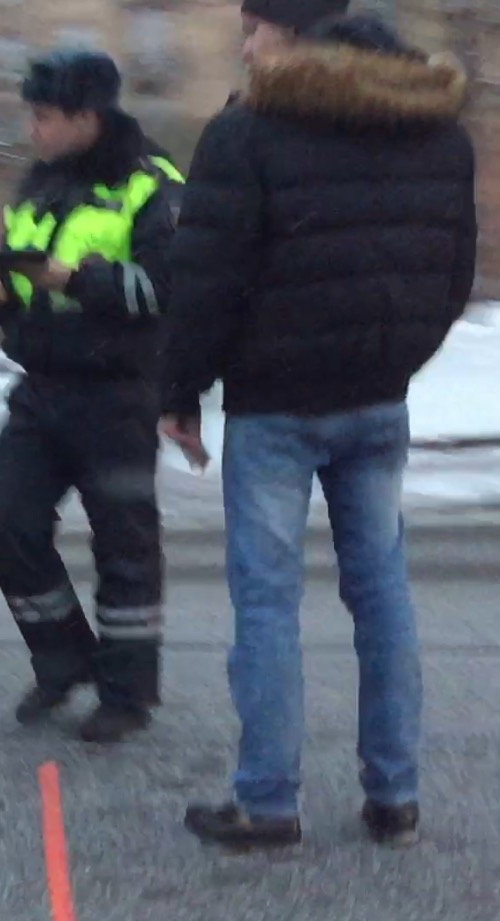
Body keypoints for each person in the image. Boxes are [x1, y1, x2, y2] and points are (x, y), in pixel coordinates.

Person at [161, 11, 477, 849]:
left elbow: (206, 278)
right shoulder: (438, 133)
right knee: (382, 591)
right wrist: (395, 356)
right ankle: (395, 795)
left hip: (274, 406)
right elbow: (454, 276)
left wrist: (181, 388)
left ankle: (268, 801)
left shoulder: (248, 133)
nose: (245, 47)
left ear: (300, 34)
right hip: (377, 400)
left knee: (267, 601)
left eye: (255, 27)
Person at [0, 48, 185, 744]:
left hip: (118, 394)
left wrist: (74, 279)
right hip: (41, 389)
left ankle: (127, 694)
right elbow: (26, 286)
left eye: (44, 116)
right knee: (9, 524)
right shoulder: (38, 187)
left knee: (125, 546)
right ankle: (64, 659)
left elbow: (166, 291)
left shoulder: (153, 185)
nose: (32, 129)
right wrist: (0, 300)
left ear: (88, 116)